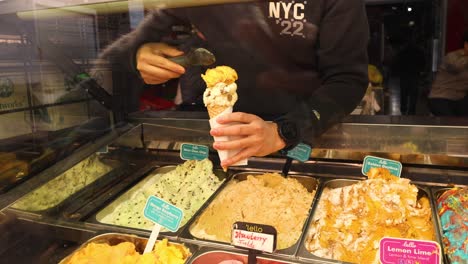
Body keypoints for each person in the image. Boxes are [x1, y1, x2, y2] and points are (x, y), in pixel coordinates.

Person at [100, 1, 369, 168]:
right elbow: (121, 52)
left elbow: (347, 80)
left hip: (306, 137)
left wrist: (285, 130)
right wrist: (139, 55)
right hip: (225, 137)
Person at [428, 31, 468, 116]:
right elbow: (456, 67)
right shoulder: (452, 56)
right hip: (441, 97)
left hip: (459, 99)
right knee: (450, 122)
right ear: (466, 45)